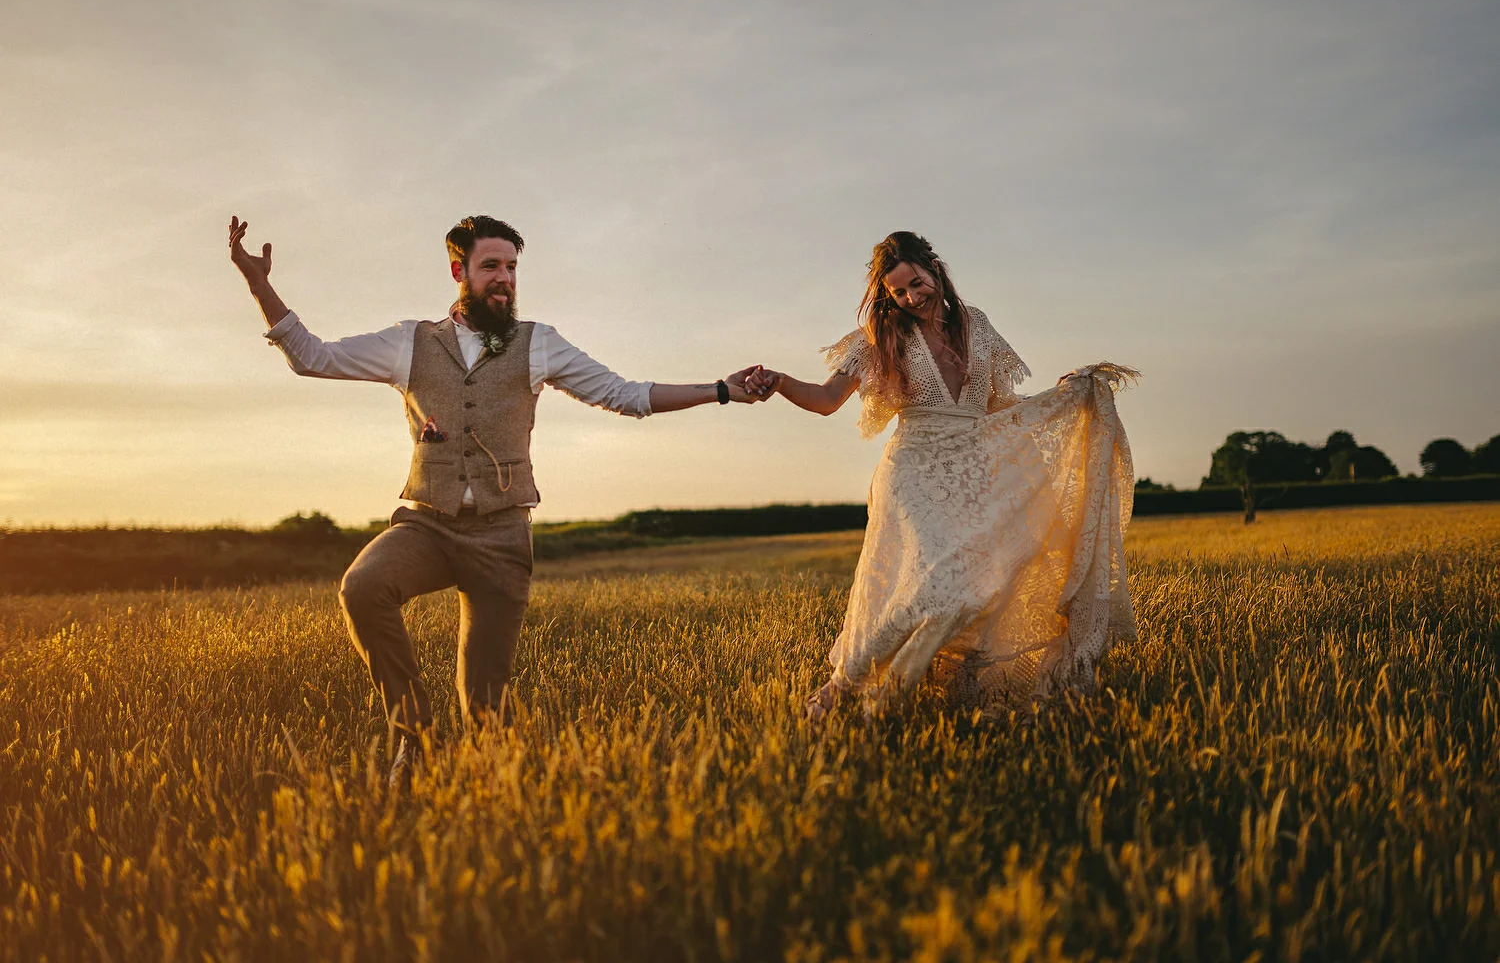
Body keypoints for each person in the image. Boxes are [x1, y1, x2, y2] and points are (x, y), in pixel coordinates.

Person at [227, 214, 771, 788]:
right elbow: (312, 356)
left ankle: (500, 796)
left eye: (512, 268)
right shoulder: (408, 342)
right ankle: (416, 740)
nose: (504, 279)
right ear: (459, 270)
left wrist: (720, 391)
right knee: (362, 588)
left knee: (484, 711)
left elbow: (624, 394)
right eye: (491, 266)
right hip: (427, 526)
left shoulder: (538, 344)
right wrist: (257, 281)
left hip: (501, 537)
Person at [745, 231, 1138, 721]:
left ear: (934, 267)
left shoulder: (978, 325)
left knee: (981, 587)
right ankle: (844, 686)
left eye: (916, 283)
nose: (912, 298)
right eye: (898, 293)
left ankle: (953, 684)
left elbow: (998, 406)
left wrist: (1060, 398)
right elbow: (826, 401)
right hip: (914, 471)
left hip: (974, 467)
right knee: (939, 587)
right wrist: (778, 382)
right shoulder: (881, 337)